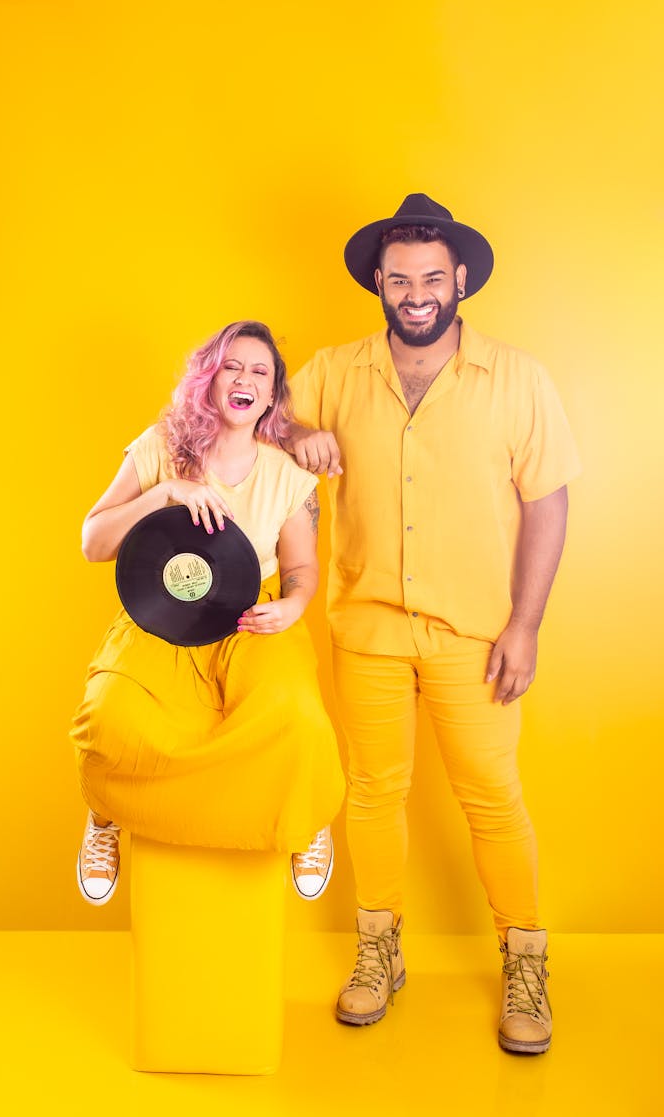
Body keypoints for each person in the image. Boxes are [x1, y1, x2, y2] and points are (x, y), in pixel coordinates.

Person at [287, 194, 581, 1053]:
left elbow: (549, 505)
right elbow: (264, 419)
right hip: (368, 624)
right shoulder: (335, 371)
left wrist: (526, 624)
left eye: (431, 277)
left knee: (492, 797)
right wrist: (298, 431)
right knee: (373, 792)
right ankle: (379, 952)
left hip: (476, 635)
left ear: (460, 280)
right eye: (399, 277)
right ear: (378, 281)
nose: (416, 292)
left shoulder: (518, 379)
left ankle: (525, 959)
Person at [70, 320, 345, 908]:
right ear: (209, 379)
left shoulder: (290, 478)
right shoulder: (159, 449)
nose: (244, 379)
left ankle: (307, 819)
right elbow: (93, 541)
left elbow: (301, 569)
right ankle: (107, 816)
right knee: (108, 717)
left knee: (297, 718)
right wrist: (162, 495)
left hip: (253, 620)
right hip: (161, 618)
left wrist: (294, 604)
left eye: (260, 372)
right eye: (231, 366)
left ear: (272, 396)